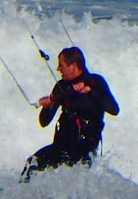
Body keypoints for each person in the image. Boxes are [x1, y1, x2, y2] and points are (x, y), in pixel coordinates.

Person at [21, 47, 119, 181]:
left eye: (61, 65)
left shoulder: (95, 82)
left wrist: (90, 92)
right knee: (32, 163)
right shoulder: (62, 86)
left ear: (73, 66)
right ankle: (23, 195)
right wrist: (47, 107)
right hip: (62, 145)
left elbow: (114, 109)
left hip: (84, 148)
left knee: (72, 175)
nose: (58, 69)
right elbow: (44, 122)